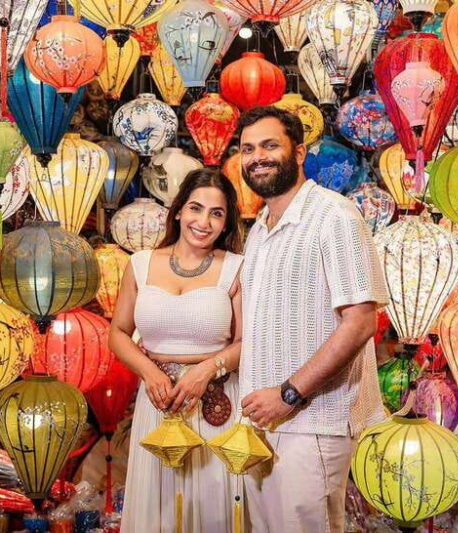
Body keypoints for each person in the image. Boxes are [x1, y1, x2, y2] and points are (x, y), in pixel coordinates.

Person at [237, 107, 389, 533]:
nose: (257, 157)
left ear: (299, 152)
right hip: (263, 422)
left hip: (313, 421)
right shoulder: (259, 228)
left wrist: (289, 394)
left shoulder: (334, 216)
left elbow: (360, 323)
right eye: (248, 149)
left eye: (270, 145)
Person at [109, 168, 244, 533]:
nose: (204, 222)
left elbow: (246, 342)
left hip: (214, 401)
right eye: (196, 208)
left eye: (216, 213)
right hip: (158, 401)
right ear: (179, 210)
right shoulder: (140, 263)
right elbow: (118, 333)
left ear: (226, 223)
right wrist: (149, 373)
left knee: (212, 508)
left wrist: (207, 370)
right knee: (159, 509)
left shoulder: (236, 268)